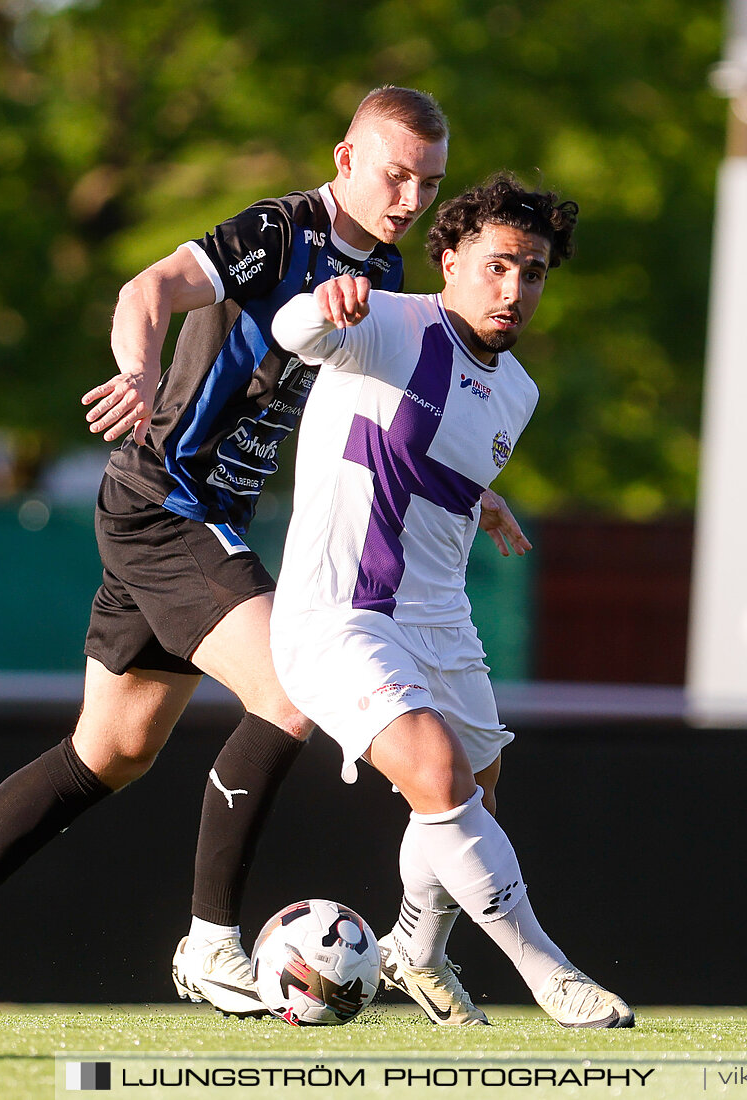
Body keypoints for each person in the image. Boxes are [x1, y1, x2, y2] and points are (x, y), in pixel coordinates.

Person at [0, 86, 506, 1019]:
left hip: (208, 517)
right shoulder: (283, 232)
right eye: (395, 173)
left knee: (109, 753)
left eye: (427, 181)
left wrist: (470, 487)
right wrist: (139, 369)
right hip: (165, 503)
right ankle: (210, 945)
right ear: (345, 160)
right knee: (294, 687)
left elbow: (394, 406)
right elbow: (146, 289)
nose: (408, 197)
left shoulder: (389, 265)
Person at [266, 172, 634, 1028]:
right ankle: (549, 972)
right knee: (436, 775)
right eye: (499, 265)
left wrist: (484, 498)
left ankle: (416, 953)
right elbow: (292, 332)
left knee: (477, 790)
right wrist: (326, 304)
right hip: (339, 612)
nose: (515, 289)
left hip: (438, 616)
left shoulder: (520, 393)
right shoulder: (389, 321)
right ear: (451, 257)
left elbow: (435, 458)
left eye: (534, 272)